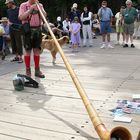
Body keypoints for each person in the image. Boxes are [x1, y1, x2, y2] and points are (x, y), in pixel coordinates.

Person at [19, 0, 46, 78]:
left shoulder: (40, 5)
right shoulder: (23, 5)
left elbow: (45, 15)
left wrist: (39, 8)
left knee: (37, 50)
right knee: (27, 50)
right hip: (27, 31)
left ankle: (37, 70)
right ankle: (28, 70)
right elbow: (21, 17)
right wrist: (30, 9)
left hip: (38, 30)